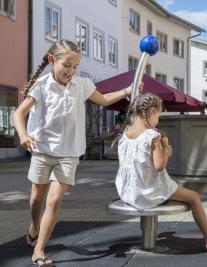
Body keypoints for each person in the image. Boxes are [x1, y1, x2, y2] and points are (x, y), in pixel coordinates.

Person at [13, 39, 143, 266]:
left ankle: (39, 251)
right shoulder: (41, 86)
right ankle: (34, 226)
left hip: (69, 153)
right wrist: (24, 135)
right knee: (36, 199)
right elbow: (18, 114)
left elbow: (102, 99)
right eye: (66, 65)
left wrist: (127, 91)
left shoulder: (81, 84)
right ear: (52, 61)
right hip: (42, 150)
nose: (70, 71)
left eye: (75, 66)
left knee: (53, 201)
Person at [115, 93, 207, 252]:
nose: (158, 120)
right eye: (158, 115)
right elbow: (159, 165)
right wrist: (166, 151)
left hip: (129, 191)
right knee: (194, 198)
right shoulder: (152, 136)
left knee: (178, 190)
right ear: (151, 112)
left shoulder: (126, 132)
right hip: (148, 192)